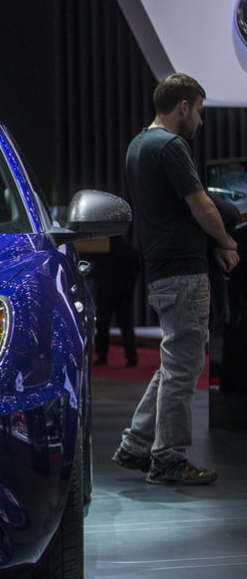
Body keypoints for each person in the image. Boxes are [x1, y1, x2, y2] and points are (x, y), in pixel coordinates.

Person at [112, 72, 239, 485]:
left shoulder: (138, 146)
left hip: (161, 269)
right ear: (183, 106)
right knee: (184, 367)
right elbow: (201, 205)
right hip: (184, 271)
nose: (200, 121)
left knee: (175, 363)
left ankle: (136, 445)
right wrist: (226, 241)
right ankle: (169, 459)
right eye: (199, 112)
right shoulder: (170, 145)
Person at [90, 233, 140, 367]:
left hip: (106, 290)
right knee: (126, 324)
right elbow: (138, 267)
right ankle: (131, 355)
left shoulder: (102, 246)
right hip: (124, 291)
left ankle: (102, 356)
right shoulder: (128, 246)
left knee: (103, 324)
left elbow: (94, 268)